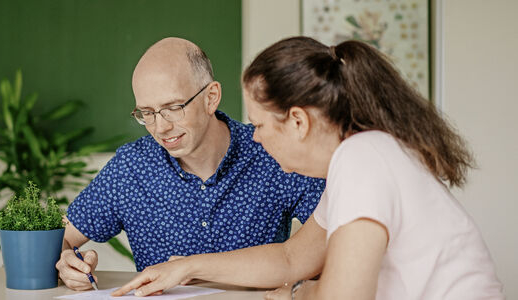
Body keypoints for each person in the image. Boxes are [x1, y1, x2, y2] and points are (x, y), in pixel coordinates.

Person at [112, 37, 504, 299]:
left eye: (262, 125)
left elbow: (343, 295)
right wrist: (187, 267)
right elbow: (291, 259)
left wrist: (299, 294)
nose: (256, 138)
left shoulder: (362, 160)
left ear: (298, 121)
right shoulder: (357, 160)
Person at [54, 37, 326, 291]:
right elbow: (60, 238)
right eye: (147, 113)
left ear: (211, 97)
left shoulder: (271, 151)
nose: (161, 127)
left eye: (173, 107)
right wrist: (66, 260)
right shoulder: (131, 168)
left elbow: (324, 248)